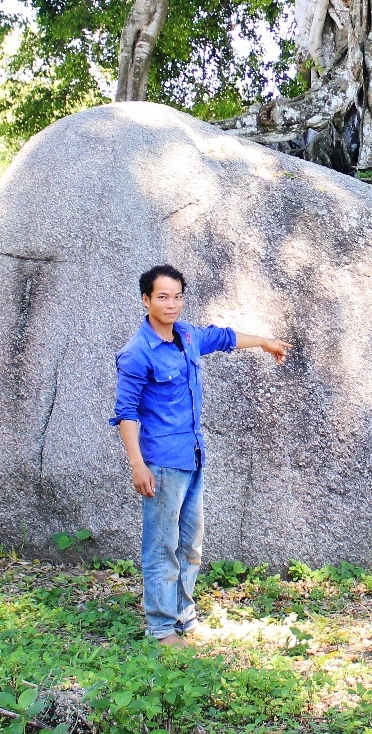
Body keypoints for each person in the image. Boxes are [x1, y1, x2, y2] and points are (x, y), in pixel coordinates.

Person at [112, 263, 290, 646]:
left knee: (190, 545)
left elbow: (224, 337)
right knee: (162, 546)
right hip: (161, 462)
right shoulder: (137, 353)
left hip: (193, 457)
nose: (171, 304)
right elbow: (126, 413)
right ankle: (161, 630)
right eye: (162, 297)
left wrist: (264, 341)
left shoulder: (189, 336)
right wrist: (136, 465)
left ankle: (183, 618)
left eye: (177, 296)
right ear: (146, 300)